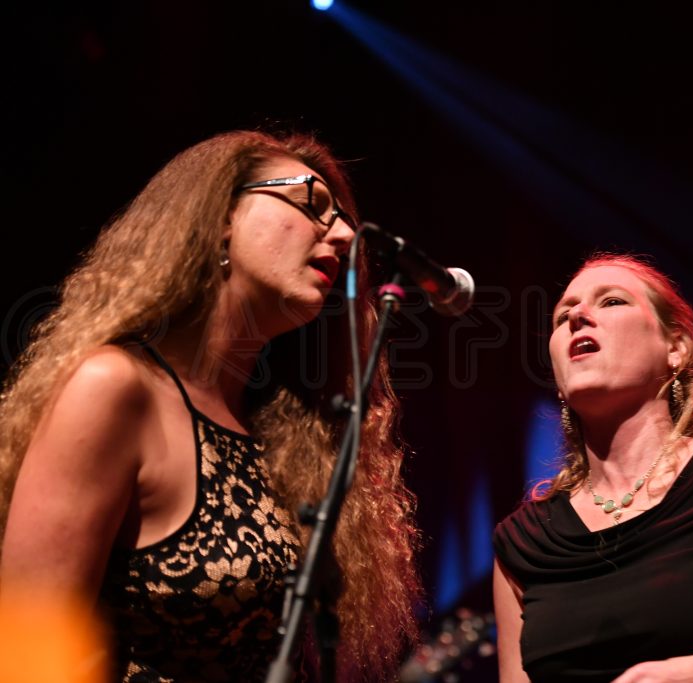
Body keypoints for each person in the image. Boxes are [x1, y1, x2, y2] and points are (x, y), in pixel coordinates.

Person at [0, 130, 421, 681]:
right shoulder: (115, 387)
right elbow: (29, 646)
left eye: (342, 218)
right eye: (311, 203)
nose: (343, 235)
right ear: (222, 217)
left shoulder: (280, 431)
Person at [492, 253, 693, 683]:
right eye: (563, 315)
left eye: (612, 301)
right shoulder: (524, 542)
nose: (577, 316)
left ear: (675, 349)